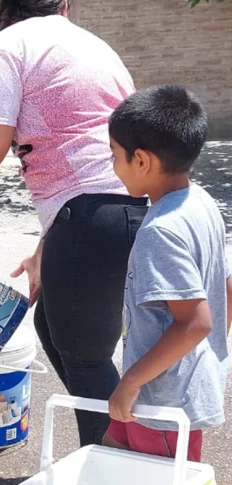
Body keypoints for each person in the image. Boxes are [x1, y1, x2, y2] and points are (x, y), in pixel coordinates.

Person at [0, 0, 149, 446]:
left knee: (86, 358)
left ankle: (117, 462)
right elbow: (88, 156)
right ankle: (112, 451)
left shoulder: (11, 44)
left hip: (89, 218)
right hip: (124, 211)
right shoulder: (92, 45)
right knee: (53, 326)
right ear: (63, 4)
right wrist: (46, 248)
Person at [102, 85, 232, 462]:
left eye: (114, 155)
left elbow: (195, 323)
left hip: (163, 403)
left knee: (161, 473)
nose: (113, 165)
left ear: (142, 160)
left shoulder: (160, 231)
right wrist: (206, 356)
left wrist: (131, 380)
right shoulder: (200, 200)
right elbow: (225, 285)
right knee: (112, 450)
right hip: (157, 387)